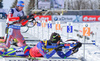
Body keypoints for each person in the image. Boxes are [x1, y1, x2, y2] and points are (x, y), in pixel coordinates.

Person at [0, 32, 82, 59]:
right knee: (4, 53)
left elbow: (63, 56)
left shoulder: (56, 46)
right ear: (55, 41)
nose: (59, 43)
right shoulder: (41, 44)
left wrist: (73, 48)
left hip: (33, 55)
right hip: (26, 51)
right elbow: (46, 56)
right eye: (58, 41)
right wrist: (55, 50)